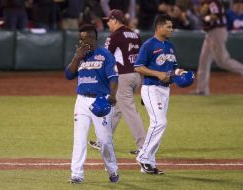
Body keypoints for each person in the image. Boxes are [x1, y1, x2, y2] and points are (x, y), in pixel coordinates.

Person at [65, 24, 119, 184]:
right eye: (80, 39)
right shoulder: (80, 55)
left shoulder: (105, 55)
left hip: (101, 100)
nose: (82, 42)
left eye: (84, 39)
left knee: (104, 140)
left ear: (93, 38)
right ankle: (77, 174)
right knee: (79, 138)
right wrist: (76, 57)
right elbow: (68, 75)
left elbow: (114, 78)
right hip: (81, 101)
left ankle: (112, 169)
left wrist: (113, 95)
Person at [88, 9, 146, 155]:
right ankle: (102, 140)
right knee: (116, 109)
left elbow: (106, 57)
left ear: (115, 20)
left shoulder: (115, 36)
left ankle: (144, 146)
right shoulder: (135, 35)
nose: (107, 23)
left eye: (108, 20)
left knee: (129, 111)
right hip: (136, 76)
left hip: (124, 77)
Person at [134, 14, 186, 174]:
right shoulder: (149, 45)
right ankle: (143, 157)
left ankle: (149, 162)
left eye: (171, 27)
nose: (171, 29)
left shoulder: (170, 46)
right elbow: (138, 66)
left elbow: (173, 68)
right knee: (160, 122)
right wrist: (157, 74)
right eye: (169, 26)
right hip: (151, 88)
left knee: (158, 124)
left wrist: (179, 72)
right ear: (159, 27)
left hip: (165, 90)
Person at [191, 0, 243, 96]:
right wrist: (201, 13)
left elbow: (215, 16)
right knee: (204, 60)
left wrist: (205, 16)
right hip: (210, 33)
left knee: (222, 61)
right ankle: (202, 90)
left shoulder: (213, 2)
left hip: (217, 32)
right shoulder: (205, 4)